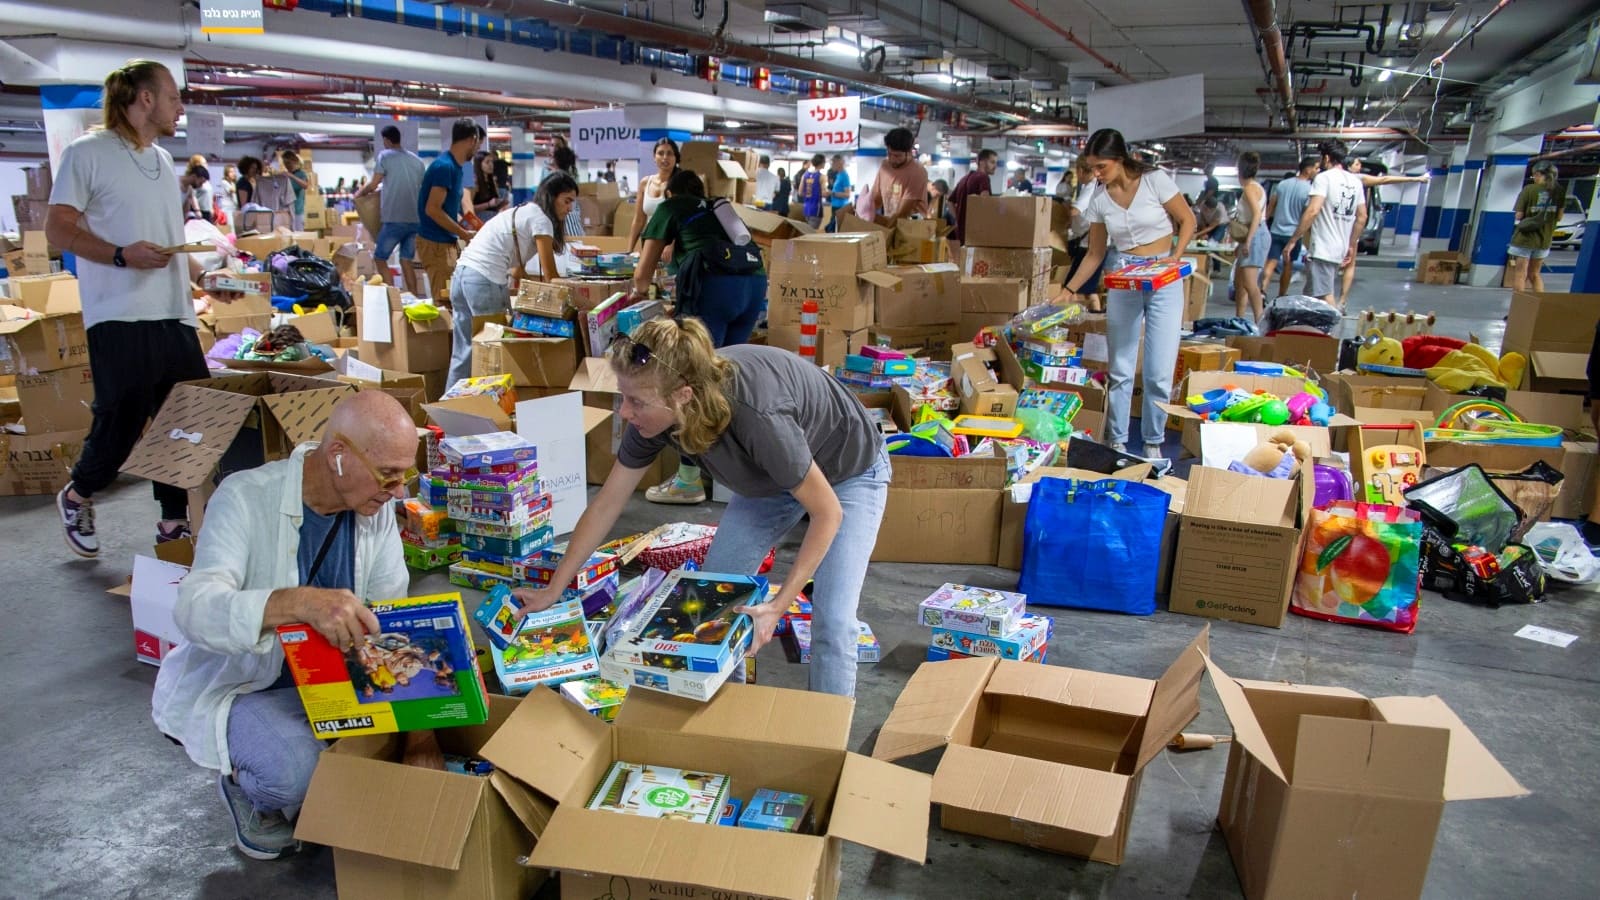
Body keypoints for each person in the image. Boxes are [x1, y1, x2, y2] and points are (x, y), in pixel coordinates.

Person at [510, 318, 890, 699]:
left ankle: (828, 742)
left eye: (636, 402)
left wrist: (777, 605)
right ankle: (723, 721)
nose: (624, 412)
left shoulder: (759, 416)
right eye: (622, 397)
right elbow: (606, 504)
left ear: (683, 396)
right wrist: (553, 590)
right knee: (714, 602)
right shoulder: (654, 416)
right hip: (770, 479)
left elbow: (828, 513)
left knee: (834, 622)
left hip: (848, 472)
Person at [151, 391, 437, 861]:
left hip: (332, 679)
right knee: (293, 774)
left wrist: (421, 738)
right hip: (252, 686)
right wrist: (298, 603)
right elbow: (193, 610)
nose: (399, 490)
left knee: (435, 714)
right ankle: (248, 789)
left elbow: (391, 623)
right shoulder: (244, 497)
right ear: (339, 456)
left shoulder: (377, 512)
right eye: (388, 474)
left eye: (404, 474)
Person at [45, 60, 239, 556]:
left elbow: (169, 243)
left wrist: (205, 279)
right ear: (146, 99)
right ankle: (79, 492)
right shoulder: (88, 153)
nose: (180, 107)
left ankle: (174, 522)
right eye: (174, 96)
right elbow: (59, 229)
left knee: (188, 420)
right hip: (118, 314)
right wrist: (118, 254)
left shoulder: (160, 162)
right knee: (122, 423)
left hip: (172, 313)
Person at [627, 170, 767, 505]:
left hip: (715, 289)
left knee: (691, 379)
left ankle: (689, 480)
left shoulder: (669, 208)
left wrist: (636, 293)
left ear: (670, 194)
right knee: (726, 375)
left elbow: (642, 275)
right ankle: (729, 471)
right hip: (753, 285)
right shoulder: (719, 208)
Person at [1055, 128, 1195, 459]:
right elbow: (1094, 253)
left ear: (1119, 159)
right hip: (1125, 276)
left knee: (1159, 370)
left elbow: (1187, 220)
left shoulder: (1155, 180)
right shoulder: (1100, 201)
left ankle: (1152, 443)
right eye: (1092, 168)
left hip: (1163, 275)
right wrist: (1068, 289)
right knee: (1120, 366)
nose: (1097, 175)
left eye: (1101, 167)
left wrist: (1174, 259)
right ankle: (1116, 441)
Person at [447, 173, 579, 387]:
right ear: (552, 197)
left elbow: (517, 272)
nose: (570, 208)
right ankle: (489, 411)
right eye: (567, 200)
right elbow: (551, 277)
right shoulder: (542, 220)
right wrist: (576, 300)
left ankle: (449, 410)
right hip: (485, 279)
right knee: (494, 353)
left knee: (464, 352)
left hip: (462, 275)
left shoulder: (522, 210)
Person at [1283, 139, 1367, 308]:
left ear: (1327, 158)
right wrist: (1351, 244)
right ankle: (1308, 332)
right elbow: (1362, 217)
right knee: (1310, 298)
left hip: (1323, 248)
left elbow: (1313, 211)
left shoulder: (1324, 178)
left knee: (1324, 295)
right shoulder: (1355, 182)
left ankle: (1334, 330)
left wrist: (1293, 240)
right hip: (1339, 248)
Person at [1338, 159, 1431, 303]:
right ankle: (1341, 301)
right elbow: (1384, 180)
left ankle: (1327, 299)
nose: (1360, 167)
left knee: (1328, 266)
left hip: (1335, 227)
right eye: (1357, 164)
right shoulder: (1357, 179)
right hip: (1349, 227)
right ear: (1348, 166)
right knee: (1350, 264)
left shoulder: (1329, 179)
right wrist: (1416, 178)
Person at [354, 125, 427, 296]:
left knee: (380, 258)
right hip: (415, 219)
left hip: (395, 218)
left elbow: (374, 183)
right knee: (406, 260)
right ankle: (414, 296)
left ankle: (393, 297)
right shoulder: (416, 161)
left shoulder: (384, 156)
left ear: (386, 140)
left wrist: (359, 194)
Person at [416, 118, 483, 306]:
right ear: (472, 139)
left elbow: (447, 209)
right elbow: (432, 209)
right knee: (444, 302)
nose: (477, 148)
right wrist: (463, 233)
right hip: (435, 244)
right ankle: (442, 337)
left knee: (454, 300)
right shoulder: (444, 167)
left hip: (446, 242)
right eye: (478, 143)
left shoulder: (455, 167)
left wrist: (467, 226)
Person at [1262, 156, 1318, 297]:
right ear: (1307, 169)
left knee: (1270, 262)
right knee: (1288, 265)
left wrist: (1263, 224)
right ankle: (1282, 295)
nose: (1317, 171)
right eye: (1316, 168)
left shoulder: (1282, 184)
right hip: (1292, 234)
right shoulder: (1310, 190)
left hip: (1275, 230)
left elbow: (1270, 206)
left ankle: (1262, 291)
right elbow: (1307, 214)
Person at [1506, 161, 1566, 292]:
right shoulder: (1559, 192)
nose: (1534, 178)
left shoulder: (1529, 190)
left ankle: (1518, 307)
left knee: (1520, 274)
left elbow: (1518, 215)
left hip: (1525, 239)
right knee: (1534, 274)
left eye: (1534, 175)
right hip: (1544, 239)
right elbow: (1560, 217)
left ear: (1538, 174)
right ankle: (1537, 307)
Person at [1061, 156, 1105, 313]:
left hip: (1088, 245)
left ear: (1080, 170)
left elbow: (1075, 210)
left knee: (1073, 287)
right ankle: (1094, 322)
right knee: (1089, 289)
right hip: (1094, 244)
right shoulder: (1097, 187)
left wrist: (1065, 208)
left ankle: (1073, 322)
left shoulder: (1091, 188)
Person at [1231, 151, 1269, 321]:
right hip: (1253, 234)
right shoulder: (1254, 186)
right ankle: (1238, 320)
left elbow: (1256, 215)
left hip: (1255, 234)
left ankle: (1260, 322)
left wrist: (1247, 242)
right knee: (1240, 282)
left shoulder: (1249, 189)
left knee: (1249, 284)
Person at [626, 136, 680, 252]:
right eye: (660, 153)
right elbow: (639, 220)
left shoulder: (679, 184)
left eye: (669, 153)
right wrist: (628, 250)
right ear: (654, 157)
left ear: (676, 158)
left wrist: (672, 245)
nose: (665, 157)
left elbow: (681, 220)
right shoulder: (645, 183)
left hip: (671, 245)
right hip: (649, 241)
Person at [866, 128, 928, 223]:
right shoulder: (885, 166)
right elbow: (876, 199)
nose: (892, 159)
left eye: (897, 156)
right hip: (891, 223)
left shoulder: (917, 172)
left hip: (912, 228)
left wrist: (884, 225)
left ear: (910, 152)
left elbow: (903, 213)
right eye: (889, 154)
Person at [949, 148, 998, 252]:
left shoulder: (965, 178)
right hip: (975, 231)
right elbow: (985, 200)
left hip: (961, 231)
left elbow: (950, 201)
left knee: (964, 260)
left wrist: (957, 219)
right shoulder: (983, 177)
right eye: (992, 162)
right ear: (982, 162)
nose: (995, 166)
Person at [553, 144, 585, 238]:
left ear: (556, 162)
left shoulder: (557, 181)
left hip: (569, 233)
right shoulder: (573, 178)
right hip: (577, 231)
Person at [470, 150, 509, 222]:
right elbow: (469, 208)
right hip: (480, 220)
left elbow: (495, 202)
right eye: (487, 162)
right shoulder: (475, 182)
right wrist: (488, 204)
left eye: (492, 162)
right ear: (479, 164)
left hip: (493, 219)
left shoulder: (492, 181)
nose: (491, 165)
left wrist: (501, 203)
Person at [279, 151, 309, 231]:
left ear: (294, 161)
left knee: (298, 234)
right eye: (285, 163)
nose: (287, 165)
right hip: (286, 211)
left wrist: (291, 176)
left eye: (289, 163)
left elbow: (305, 185)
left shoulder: (301, 174)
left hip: (297, 210)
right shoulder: (285, 175)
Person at [799, 154, 826, 229]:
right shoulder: (822, 176)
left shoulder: (805, 175)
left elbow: (800, 193)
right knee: (811, 234)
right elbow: (824, 193)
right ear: (822, 163)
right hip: (816, 209)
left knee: (807, 231)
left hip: (806, 208)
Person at [825, 154, 852, 232]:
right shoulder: (838, 175)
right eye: (832, 163)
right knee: (830, 230)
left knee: (831, 230)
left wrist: (832, 193)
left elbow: (847, 195)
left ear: (840, 163)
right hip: (835, 207)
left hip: (840, 207)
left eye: (834, 162)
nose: (832, 165)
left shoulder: (844, 176)